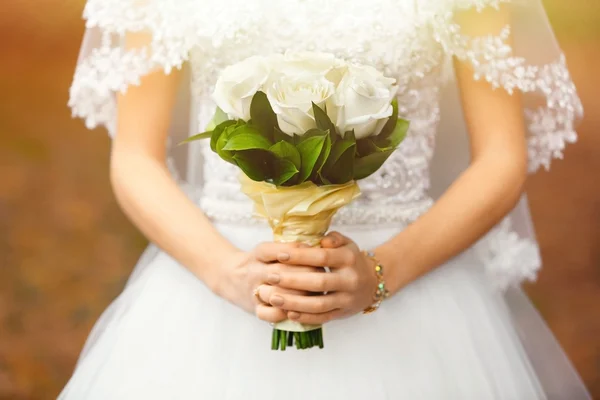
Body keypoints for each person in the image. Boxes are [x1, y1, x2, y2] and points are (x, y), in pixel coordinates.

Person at [60, 0, 591, 398]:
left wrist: (379, 275)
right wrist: (228, 273)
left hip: (411, 283)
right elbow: (134, 157)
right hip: (217, 279)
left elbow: (501, 158)